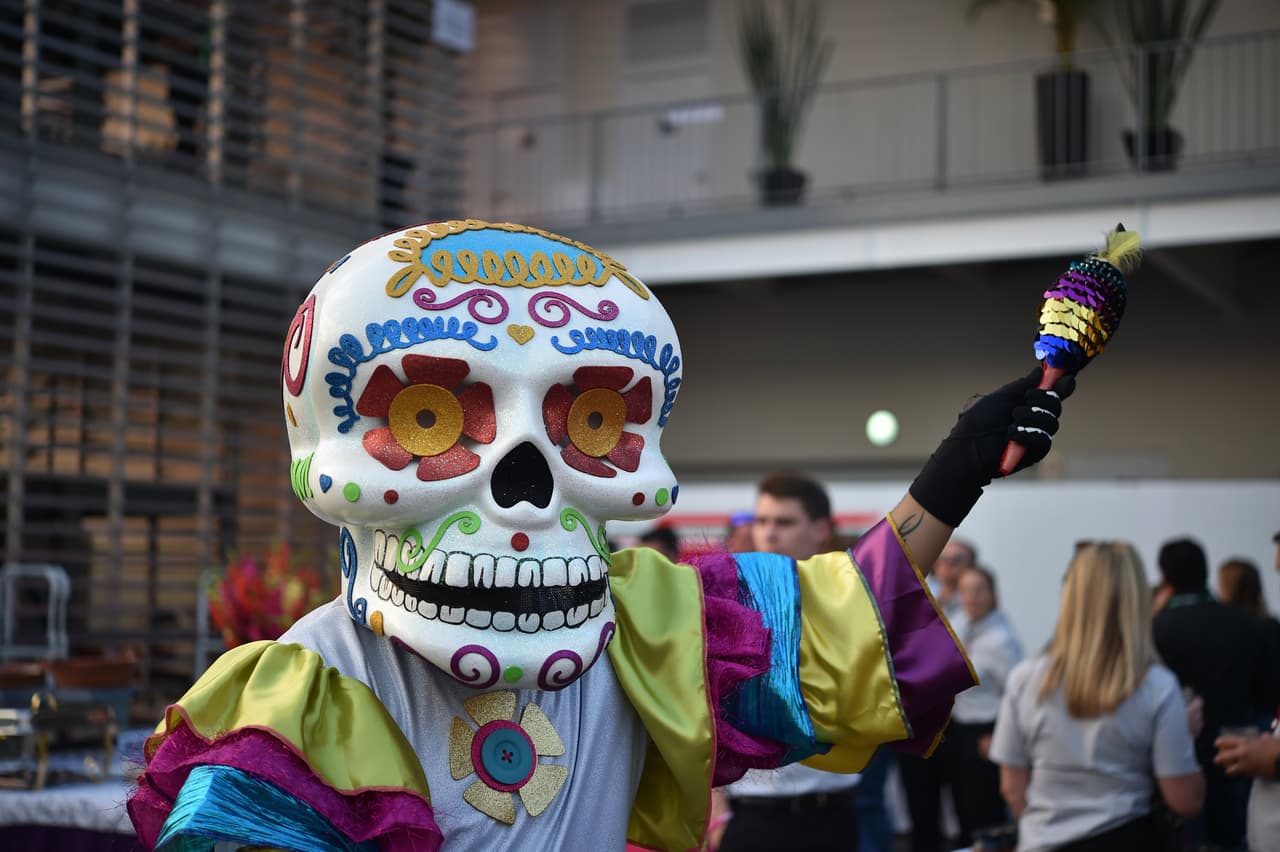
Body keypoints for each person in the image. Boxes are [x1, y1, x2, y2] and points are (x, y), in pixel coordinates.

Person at [128, 219, 1087, 851]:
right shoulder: (309, 693)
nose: (527, 493)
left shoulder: (649, 628)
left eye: (589, 426)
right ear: (331, 471)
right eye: (429, 420)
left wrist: (962, 464)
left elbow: (846, 616)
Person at [989, 542, 1204, 850]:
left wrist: (1047, 828)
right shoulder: (1156, 685)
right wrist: (1187, 734)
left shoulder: (1026, 678)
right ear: (1135, 599)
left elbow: (1012, 787)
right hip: (1124, 838)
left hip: (1042, 840)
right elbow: (1185, 800)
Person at [1152, 537, 1280, 849]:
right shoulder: (1249, 624)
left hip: (1180, 762)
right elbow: (1270, 697)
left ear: (1165, 576)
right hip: (1241, 756)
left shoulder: (1156, 629)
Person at [898, 538, 979, 852]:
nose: (948, 566)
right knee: (921, 807)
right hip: (918, 717)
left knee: (968, 808)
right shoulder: (917, 596)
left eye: (958, 559)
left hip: (961, 722)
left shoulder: (976, 603)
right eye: (943, 558)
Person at [940, 566, 1021, 846]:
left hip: (987, 731)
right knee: (962, 805)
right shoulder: (959, 624)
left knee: (984, 810)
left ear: (992, 594)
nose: (972, 597)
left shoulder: (1002, 640)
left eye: (979, 590)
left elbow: (1014, 694)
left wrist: (998, 735)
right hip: (959, 728)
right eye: (965, 590)